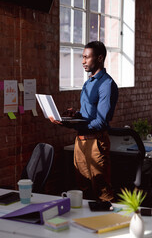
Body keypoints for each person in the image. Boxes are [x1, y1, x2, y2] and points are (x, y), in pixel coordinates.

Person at [50, 41, 118, 202]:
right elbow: (89, 114)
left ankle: (112, 224)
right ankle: (88, 225)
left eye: (87, 57)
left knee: (102, 190)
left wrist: (72, 124)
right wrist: (74, 116)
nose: (83, 61)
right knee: (83, 188)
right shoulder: (89, 83)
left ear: (100, 58)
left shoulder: (107, 85)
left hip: (95, 142)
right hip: (80, 141)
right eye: (83, 57)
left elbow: (101, 121)